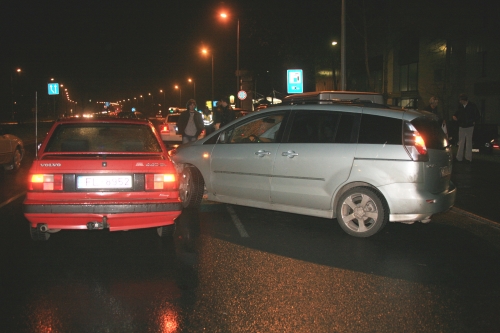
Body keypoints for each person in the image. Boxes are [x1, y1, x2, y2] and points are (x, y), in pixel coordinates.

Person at [453, 93, 480, 162]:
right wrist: (455, 116)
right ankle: (459, 157)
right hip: (462, 125)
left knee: (468, 142)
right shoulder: (461, 106)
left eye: (461, 100)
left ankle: (468, 157)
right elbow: (457, 113)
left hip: (469, 126)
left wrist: (473, 121)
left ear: (464, 100)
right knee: (461, 142)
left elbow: (477, 115)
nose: (460, 102)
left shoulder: (472, 106)